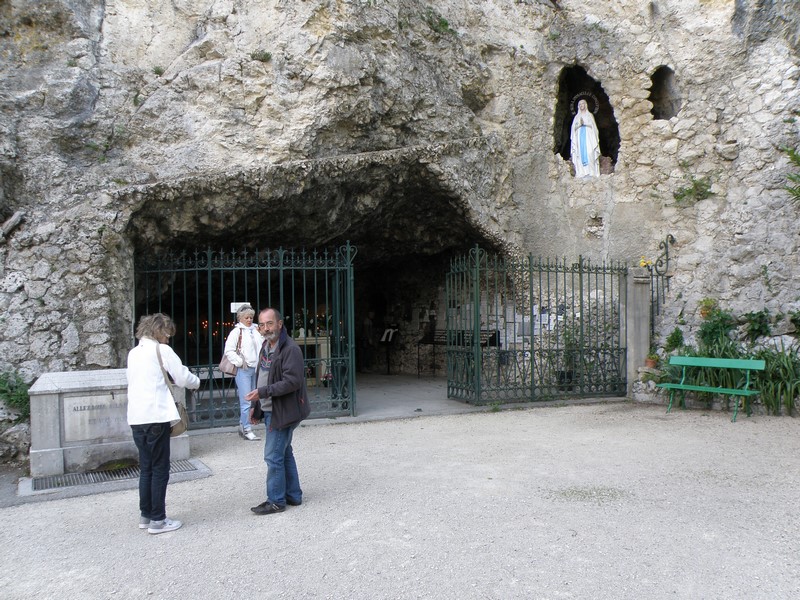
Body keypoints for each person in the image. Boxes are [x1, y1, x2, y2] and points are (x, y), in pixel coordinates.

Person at [126, 313, 200, 535]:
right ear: (158, 331)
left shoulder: (133, 353)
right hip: (156, 416)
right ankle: (158, 519)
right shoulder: (161, 350)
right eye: (167, 333)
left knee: (146, 468)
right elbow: (181, 377)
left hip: (136, 417)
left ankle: (146, 514)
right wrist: (196, 382)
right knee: (160, 469)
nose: (168, 338)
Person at [246, 307, 305, 515]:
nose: (265, 328)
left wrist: (262, 393)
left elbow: (292, 382)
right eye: (261, 324)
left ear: (280, 324)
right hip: (271, 409)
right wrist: (256, 408)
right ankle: (293, 495)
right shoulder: (266, 346)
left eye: (269, 323)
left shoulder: (290, 349)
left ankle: (276, 501)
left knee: (273, 456)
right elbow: (261, 376)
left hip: (283, 412)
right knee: (284, 452)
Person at [223, 303, 263, 441]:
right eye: (246, 317)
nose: (249, 320)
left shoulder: (256, 329)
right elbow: (228, 350)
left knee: (253, 399)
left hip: (256, 368)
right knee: (246, 400)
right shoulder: (236, 332)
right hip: (244, 369)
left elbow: (263, 345)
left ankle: (243, 425)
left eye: (251, 317)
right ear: (240, 318)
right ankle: (246, 429)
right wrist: (240, 362)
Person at [570, 98, 600, 178]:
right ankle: (582, 172)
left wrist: (585, 123)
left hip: (588, 137)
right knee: (580, 154)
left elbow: (594, 127)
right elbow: (573, 129)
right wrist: (579, 125)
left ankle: (591, 172)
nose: (581, 105)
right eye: (579, 104)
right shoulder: (576, 117)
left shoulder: (589, 115)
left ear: (585, 105)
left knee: (590, 153)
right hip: (580, 138)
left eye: (582, 104)